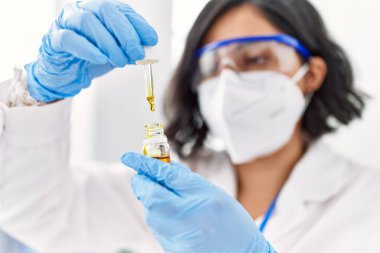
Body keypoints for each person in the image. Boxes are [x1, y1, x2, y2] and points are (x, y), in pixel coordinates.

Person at [0, 0, 379, 252]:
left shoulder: (367, 201)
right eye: (213, 65)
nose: (228, 81)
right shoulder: (169, 184)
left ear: (310, 74)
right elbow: (36, 214)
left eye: (255, 58)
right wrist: (39, 92)